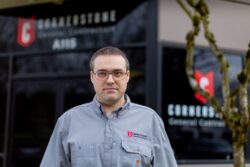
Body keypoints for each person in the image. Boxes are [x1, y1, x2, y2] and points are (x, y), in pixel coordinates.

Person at [40, 46, 178, 167]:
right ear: (92, 77)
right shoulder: (68, 122)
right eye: (102, 73)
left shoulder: (150, 120)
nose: (110, 80)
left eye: (117, 73)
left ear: (127, 76)